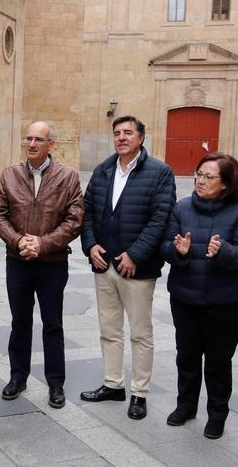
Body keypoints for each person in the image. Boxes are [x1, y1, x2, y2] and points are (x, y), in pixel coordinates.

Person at [79, 115, 175, 420]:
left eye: (128, 133)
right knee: (109, 330)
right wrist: (90, 245)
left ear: (141, 138)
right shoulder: (103, 169)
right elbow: (88, 212)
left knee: (140, 333)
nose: (121, 137)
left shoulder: (159, 172)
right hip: (103, 263)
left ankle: (140, 393)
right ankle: (113, 384)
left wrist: (135, 254)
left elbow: (161, 219)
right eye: (117, 133)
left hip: (137, 268)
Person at [160, 153, 238, 439]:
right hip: (185, 296)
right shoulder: (182, 208)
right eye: (198, 174)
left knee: (218, 361)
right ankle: (185, 405)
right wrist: (178, 251)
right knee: (186, 356)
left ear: (226, 183)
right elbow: (165, 246)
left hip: (225, 301)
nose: (200, 181)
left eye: (208, 177)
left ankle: (217, 415)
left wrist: (222, 251)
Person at [0, 121, 83, 409]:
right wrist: (18, 241)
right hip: (17, 261)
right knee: (20, 321)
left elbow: (75, 219)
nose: (31, 144)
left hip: (52, 263)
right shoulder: (10, 175)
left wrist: (42, 244)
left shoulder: (68, 177)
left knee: (53, 323)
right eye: (28, 138)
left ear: (51, 144)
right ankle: (18, 376)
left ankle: (56, 383)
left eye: (38, 139)